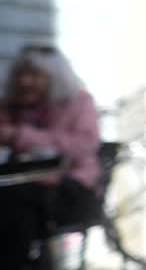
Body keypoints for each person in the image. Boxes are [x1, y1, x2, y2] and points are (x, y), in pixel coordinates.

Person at [0, 46, 102, 269]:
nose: (26, 81)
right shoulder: (12, 106)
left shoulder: (79, 103)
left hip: (70, 188)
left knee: (11, 207)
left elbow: (84, 146)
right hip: (20, 185)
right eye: (21, 74)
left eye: (35, 75)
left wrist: (20, 136)